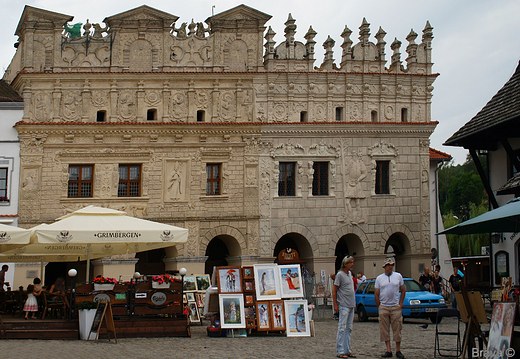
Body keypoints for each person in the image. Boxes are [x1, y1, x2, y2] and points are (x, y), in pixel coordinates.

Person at [375, 257, 406, 359]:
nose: (390, 267)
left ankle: (398, 349)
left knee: (397, 328)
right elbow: (376, 293)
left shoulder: (398, 276)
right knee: (384, 329)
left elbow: (403, 289)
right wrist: (379, 306)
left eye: (392, 265)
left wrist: (401, 302)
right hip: (384, 306)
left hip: (395, 306)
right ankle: (388, 349)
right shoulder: (379, 278)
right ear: (384, 267)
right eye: (389, 265)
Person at [333, 256, 357, 358]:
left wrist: (354, 304)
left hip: (351, 305)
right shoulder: (340, 275)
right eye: (350, 263)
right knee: (342, 328)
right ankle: (340, 350)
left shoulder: (350, 274)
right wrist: (335, 304)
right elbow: (335, 290)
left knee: (349, 328)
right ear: (345, 264)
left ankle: (347, 349)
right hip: (343, 305)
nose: (352, 264)